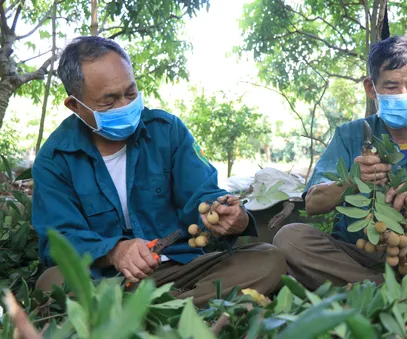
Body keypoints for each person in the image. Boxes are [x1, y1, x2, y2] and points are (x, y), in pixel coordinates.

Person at [32, 36, 286, 306]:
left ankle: (141, 313)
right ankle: (182, 308)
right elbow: (57, 240)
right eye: (108, 101)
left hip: (182, 268)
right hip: (107, 279)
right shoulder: (55, 159)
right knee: (52, 282)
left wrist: (226, 215)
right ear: (75, 105)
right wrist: (115, 252)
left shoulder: (168, 131)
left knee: (269, 259)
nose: (125, 106)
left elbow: (203, 195)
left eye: (130, 93)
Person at [273, 36, 407, 290]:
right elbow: (312, 202)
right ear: (371, 87)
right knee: (289, 239)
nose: (403, 95)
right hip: (359, 256)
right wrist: (352, 181)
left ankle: (369, 292)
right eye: (391, 87)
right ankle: (406, 293)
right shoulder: (349, 135)